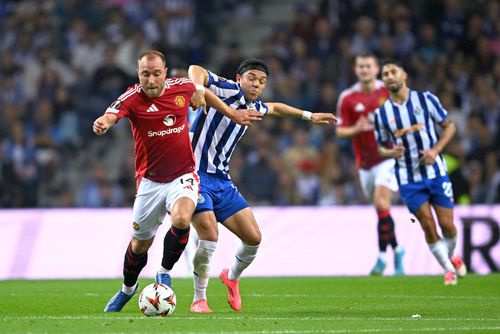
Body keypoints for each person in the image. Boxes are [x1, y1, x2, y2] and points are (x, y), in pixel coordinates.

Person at [93, 50, 261, 312]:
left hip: (183, 176)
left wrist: (223, 107)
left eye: (156, 73)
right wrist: (104, 122)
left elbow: (202, 88)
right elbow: (112, 113)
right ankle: (127, 289)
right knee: (139, 245)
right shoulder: (132, 97)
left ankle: (164, 272)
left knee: (182, 219)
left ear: (165, 72)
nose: (151, 80)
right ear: (139, 74)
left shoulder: (180, 87)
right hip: (149, 181)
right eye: (145, 74)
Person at [187, 58, 336, 313]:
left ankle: (231, 276)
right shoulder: (227, 89)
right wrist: (200, 90)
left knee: (253, 238)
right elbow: (195, 71)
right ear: (239, 78)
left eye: (262, 81)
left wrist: (309, 116)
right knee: (209, 235)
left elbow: (275, 108)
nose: (256, 84)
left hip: (222, 180)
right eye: (252, 78)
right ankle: (199, 299)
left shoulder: (255, 106)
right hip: (194, 175)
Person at [373, 60, 467, 285]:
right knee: (427, 224)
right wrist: (390, 152)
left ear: (404, 75)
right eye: (384, 74)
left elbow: (450, 126)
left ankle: (452, 256)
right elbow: (380, 148)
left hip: (436, 172)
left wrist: (435, 150)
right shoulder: (382, 114)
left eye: (393, 72)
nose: (389, 76)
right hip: (407, 178)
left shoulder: (426, 100)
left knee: (447, 225)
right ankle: (448, 269)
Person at [336, 53, 405, 276]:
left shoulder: (388, 92)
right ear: (356, 70)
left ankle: (382, 258)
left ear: (376, 69)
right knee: (381, 209)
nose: (364, 69)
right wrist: (356, 129)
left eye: (368, 66)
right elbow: (340, 130)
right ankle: (398, 250)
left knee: (381, 202)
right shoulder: (348, 98)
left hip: (388, 159)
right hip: (364, 164)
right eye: (360, 66)